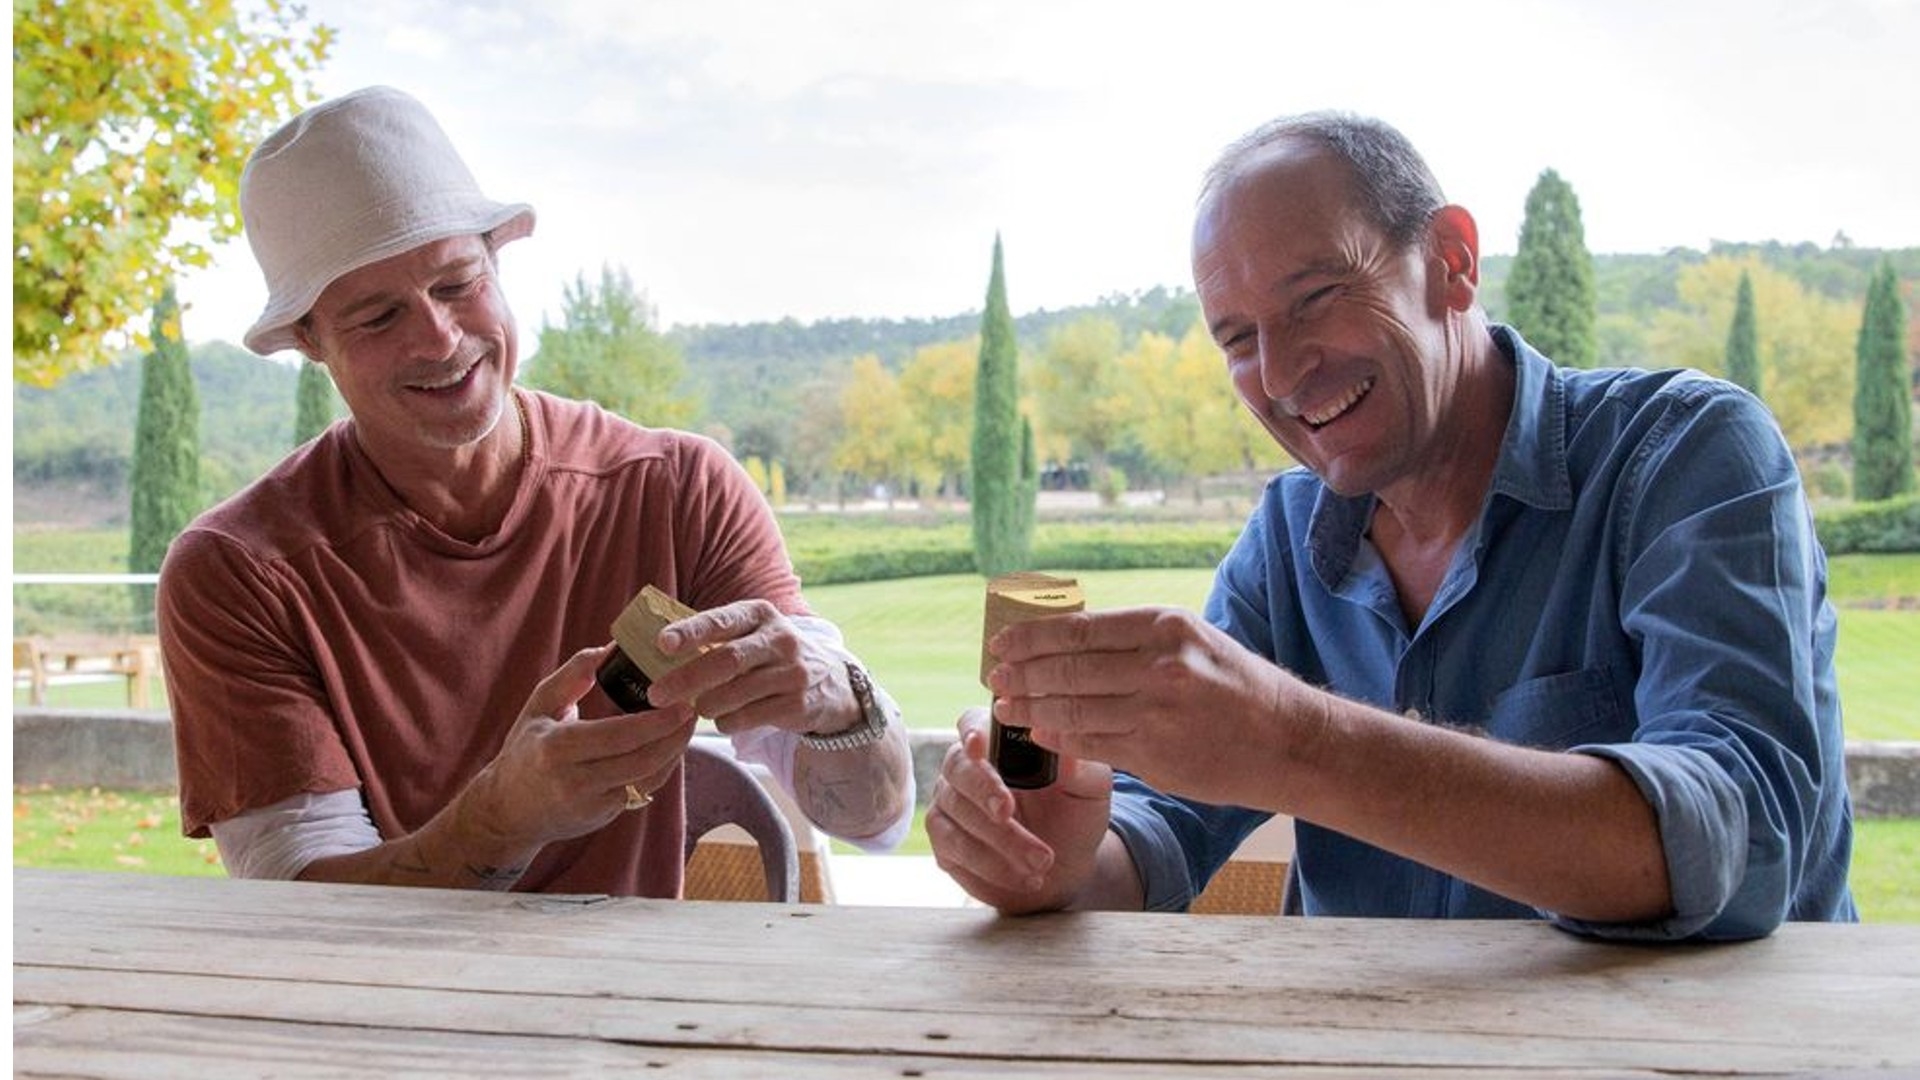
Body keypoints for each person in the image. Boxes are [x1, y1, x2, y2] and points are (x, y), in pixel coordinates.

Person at [927, 111, 1855, 940]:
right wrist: (1055, 858)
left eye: (1316, 297)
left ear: (1452, 262)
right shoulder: (1287, 537)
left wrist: (1296, 743)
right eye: (1239, 338)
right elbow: (1160, 827)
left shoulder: (1686, 452)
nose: (1280, 374)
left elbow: (1743, 843)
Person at [158, 85, 913, 896]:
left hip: (632, 982)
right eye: (378, 318)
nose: (439, 339)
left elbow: (873, 821)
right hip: (389, 984)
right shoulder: (239, 571)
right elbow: (298, 903)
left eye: (457, 284)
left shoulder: (678, 490)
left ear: (497, 260)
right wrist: (498, 822)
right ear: (309, 340)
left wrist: (839, 700)